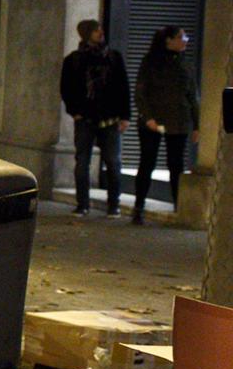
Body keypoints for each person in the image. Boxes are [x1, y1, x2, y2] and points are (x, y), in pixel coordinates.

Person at [59, 17, 129, 215]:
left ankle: (113, 204)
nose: (101, 33)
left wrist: (125, 116)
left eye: (101, 30)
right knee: (83, 161)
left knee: (113, 162)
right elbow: (67, 89)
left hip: (110, 118)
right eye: (96, 30)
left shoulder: (114, 57)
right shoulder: (74, 60)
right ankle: (83, 204)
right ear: (87, 34)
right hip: (86, 118)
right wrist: (75, 112)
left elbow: (123, 87)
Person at [132, 24, 200, 224]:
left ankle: (179, 208)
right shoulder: (151, 62)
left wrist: (197, 124)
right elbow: (141, 93)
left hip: (178, 120)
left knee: (176, 164)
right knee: (147, 162)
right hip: (153, 121)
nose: (185, 40)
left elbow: (193, 96)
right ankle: (139, 206)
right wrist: (148, 117)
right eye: (181, 37)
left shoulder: (186, 64)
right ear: (168, 40)